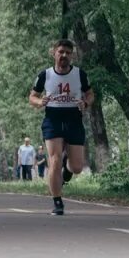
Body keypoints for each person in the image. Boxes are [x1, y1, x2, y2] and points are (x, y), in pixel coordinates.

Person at [29, 39, 93, 215]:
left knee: (77, 167)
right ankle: (57, 202)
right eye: (61, 52)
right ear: (54, 53)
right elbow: (32, 97)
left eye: (67, 52)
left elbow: (90, 94)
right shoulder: (45, 75)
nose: (64, 55)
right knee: (54, 160)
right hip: (53, 119)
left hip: (74, 118)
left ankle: (67, 169)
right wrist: (39, 101)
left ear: (71, 55)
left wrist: (86, 103)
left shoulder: (80, 74)